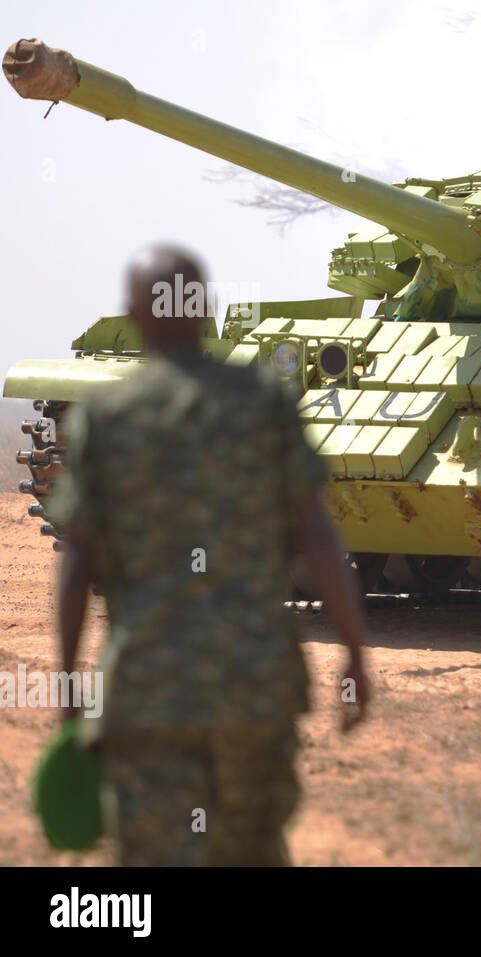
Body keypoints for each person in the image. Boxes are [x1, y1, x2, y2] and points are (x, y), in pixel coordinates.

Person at [48, 243, 370, 866]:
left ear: (134, 317)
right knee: (251, 850)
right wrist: (355, 653)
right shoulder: (263, 403)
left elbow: (77, 560)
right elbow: (317, 534)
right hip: (255, 684)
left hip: (147, 689)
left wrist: (69, 690)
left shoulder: (108, 416)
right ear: (205, 312)